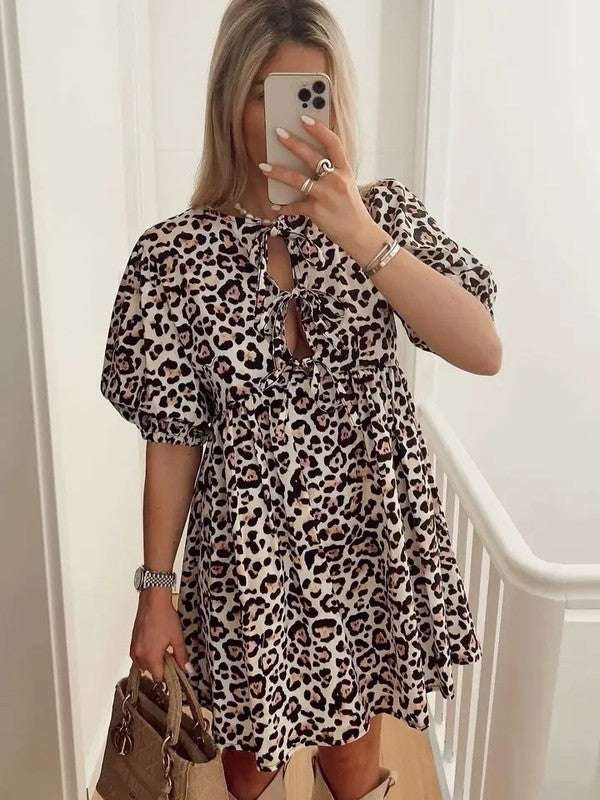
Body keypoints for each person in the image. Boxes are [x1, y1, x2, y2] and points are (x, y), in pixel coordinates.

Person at [99, 1, 501, 799]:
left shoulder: (384, 216)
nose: (286, 117)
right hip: (245, 548)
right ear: (228, 99)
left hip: (364, 536)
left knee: (353, 761)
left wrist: (361, 234)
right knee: (249, 767)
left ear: (333, 100)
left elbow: (481, 348)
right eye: (263, 92)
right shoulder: (172, 256)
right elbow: (172, 438)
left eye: (306, 93)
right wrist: (155, 592)